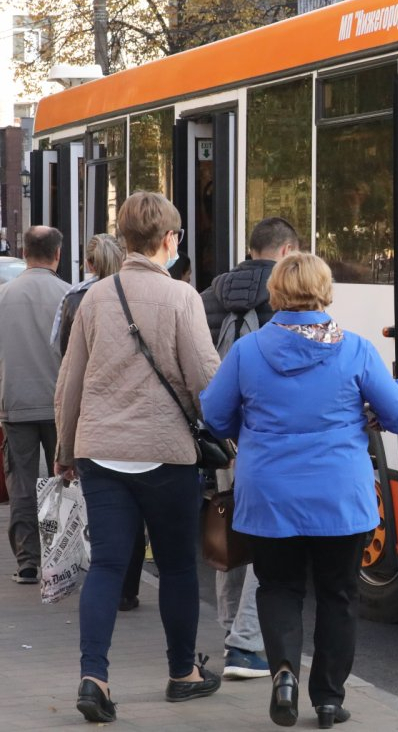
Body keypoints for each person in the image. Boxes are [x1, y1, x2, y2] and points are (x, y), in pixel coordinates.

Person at [200, 252, 398, 729]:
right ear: (324, 291)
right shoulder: (356, 349)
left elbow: (214, 416)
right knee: (338, 595)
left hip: (269, 494)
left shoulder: (249, 351)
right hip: (340, 497)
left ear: (276, 292)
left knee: (279, 588)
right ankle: (330, 700)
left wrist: (250, 428)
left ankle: (282, 676)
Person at [53, 192, 223, 723]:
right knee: (175, 567)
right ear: (168, 239)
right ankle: (182, 674)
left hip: (101, 452)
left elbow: (70, 382)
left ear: (123, 239)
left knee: (105, 565)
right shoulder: (182, 298)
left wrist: (64, 449)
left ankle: (93, 677)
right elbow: (205, 380)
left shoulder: (95, 298)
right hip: (166, 453)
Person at [199, 216, 299, 681]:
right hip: (268, 441)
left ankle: (228, 631)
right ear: (286, 251)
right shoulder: (288, 299)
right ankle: (247, 644)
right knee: (270, 540)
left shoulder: (211, 296)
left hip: (225, 437)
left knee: (229, 528)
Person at [46, 233, 146, 613]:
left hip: (92, 418)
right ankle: (127, 589)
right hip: (136, 417)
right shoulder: (141, 294)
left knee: (101, 507)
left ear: (88, 263)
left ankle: (100, 576)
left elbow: (64, 360)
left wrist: (65, 446)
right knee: (136, 508)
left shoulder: (75, 300)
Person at [0, 226, 70, 585]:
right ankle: (60, 559)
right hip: (59, 404)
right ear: (57, 254)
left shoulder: (4, 296)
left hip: (15, 403)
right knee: (62, 481)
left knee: (22, 483)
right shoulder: (69, 295)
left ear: (25, 252)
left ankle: (27, 561)